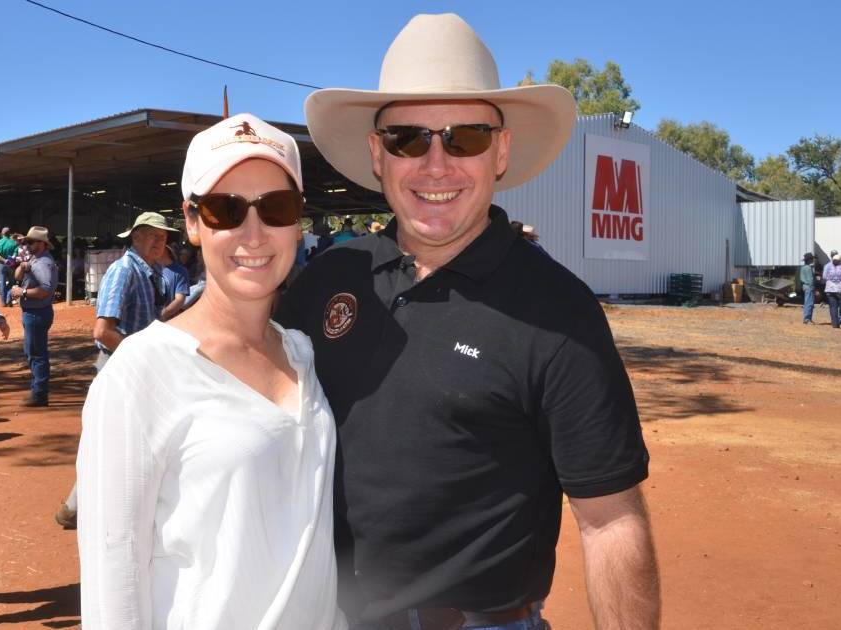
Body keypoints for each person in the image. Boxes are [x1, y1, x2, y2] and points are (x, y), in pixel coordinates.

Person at [278, 13, 656, 629]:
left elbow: (611, 520)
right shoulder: (326, 278)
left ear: (501, 150)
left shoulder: (559, 312)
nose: (435, 164)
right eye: (406, 138)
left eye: (465, 138)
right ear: (378, 154)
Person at [76, 113, 344, 630]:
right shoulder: (142, 372)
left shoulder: (303, 354)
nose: (254, 231)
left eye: (277, 207)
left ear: (297, 222)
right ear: (193, 222)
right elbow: (115, 584)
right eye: (225, 208)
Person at [52, 211, 178, 529]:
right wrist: (140, 355)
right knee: (113, 441)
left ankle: (75, 507)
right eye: (152, 235)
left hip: (136, 367)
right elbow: (102, 331)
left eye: (162, 237)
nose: (159, 241)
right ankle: (76, 508)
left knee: (121, 441)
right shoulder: (124, 272)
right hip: (122, 368)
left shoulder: (151, 273)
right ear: (134, 237)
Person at [9, 226, 58, 407]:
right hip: (34, 312)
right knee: (33, 352)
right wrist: (22, 268)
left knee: (36, 354)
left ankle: (39, 394)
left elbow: (45, 289)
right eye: (26, 242)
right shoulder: (35, 259)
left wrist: (22, 292)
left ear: (42, 244)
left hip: (37, 313)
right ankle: (38, 391)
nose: (27, 245)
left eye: (30, 242)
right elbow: (17, 274)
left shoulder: (43, 263)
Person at [159, 244, 190, 320]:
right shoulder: (148, 267)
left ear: (166, 250)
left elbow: (179, 300)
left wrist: (161, 315)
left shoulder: (180, 271)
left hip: (167, 323)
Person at [823, 253, 841, 329]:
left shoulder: (828, 267)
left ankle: (835, 324)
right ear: (840, 260)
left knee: (833, 307)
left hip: (830, 289)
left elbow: (824, 277)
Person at [0, 227, 17, 307]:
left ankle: (3, 302)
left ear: (2, 233)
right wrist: (10, 260)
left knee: (2, 282)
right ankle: (8, 299)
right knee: (12, 282)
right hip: (11, 264)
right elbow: (15, 254)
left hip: (1, 264)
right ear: (9, 234)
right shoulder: (14, 243)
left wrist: (3, 260)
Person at [799, 252, 817, 324]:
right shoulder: (809, 268)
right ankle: (807, 319)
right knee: (810, 302)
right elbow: (810, 279)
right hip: (809, 286)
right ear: (810, 260)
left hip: (804, 286)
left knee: (807, 302)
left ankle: (806, 318)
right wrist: (813, 287)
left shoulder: (803, 267)